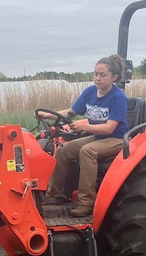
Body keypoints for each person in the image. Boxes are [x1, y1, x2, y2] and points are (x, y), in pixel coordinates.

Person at [37, 54, 129, 217]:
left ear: (114, 77)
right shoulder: (90, 92)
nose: (98, 78)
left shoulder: (118, 98)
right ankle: (55, 195)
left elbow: (109, 128)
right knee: (64, 150)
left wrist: (83, 126)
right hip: (97, 137)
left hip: (116, 139)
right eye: (95, 74)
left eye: (103, 75)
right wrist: (47, 115)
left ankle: (86, 202)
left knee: (87, 151)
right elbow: (71, 112)